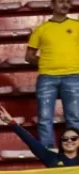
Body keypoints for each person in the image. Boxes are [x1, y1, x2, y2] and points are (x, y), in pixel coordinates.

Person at [26, 0, 79, 152]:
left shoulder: (77, 26)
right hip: (47, 77)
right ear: (52, 5)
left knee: (74, 117)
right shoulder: (41, 29)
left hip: (74, 75)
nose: (65, 5)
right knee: (44, 118)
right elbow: (29, 56)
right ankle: (48, 152)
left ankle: (73, 153)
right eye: (61, 2)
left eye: (68, 2)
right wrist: (47, 63)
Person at [0, 105, 79, 166]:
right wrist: (12, 122)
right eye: (65, 139)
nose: (69, 141)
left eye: (74, 138)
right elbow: (30, 141)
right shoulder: (51, 157)